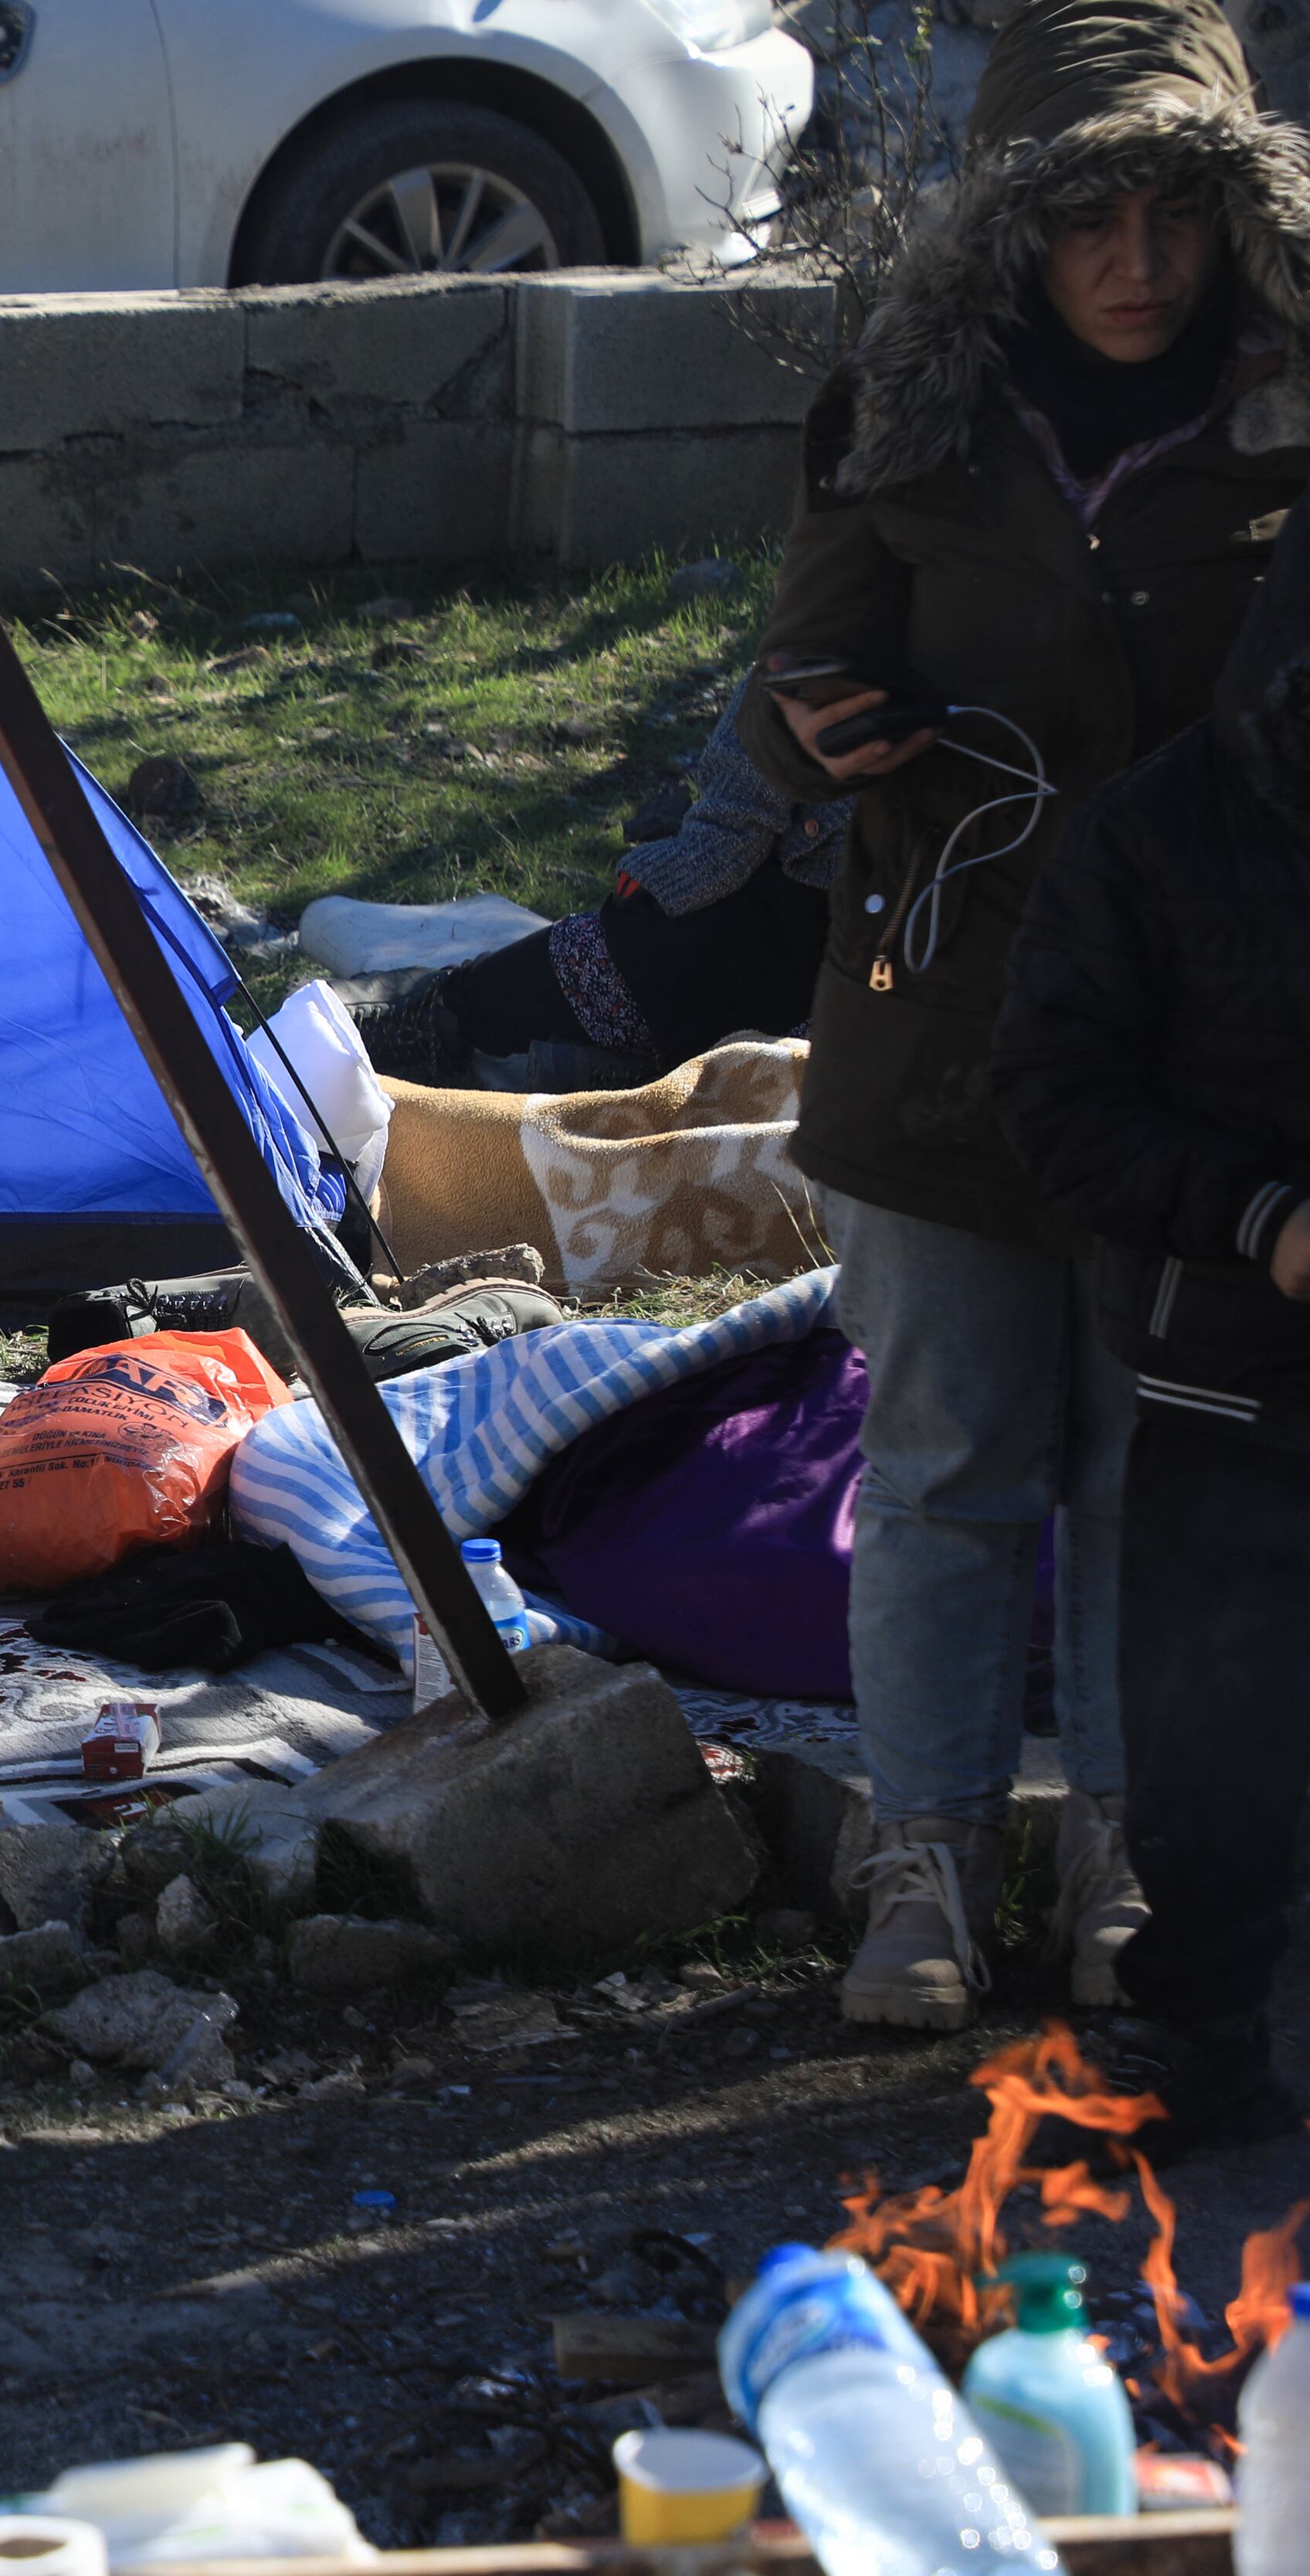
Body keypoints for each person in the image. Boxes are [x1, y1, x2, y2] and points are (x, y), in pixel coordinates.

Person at [735, 0, 1310, 2032]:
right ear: (1016, 232)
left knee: (1164, 1461)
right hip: (936, 1006)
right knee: (954, 1451)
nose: (1140, 258)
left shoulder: (1295, 404)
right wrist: (815, 731)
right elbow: (795, 681)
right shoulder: (906, 403)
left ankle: (1133, 1857)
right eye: (1091, 217)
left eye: (1177, 211)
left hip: (1201, 1041)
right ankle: (928, 1863)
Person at [993, 501, 1310, 2157]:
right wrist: (1262, 1218)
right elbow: (1052, 1100)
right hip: (1233, 1361)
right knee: (1218, 1722)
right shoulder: (1157, 833)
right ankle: (1198, 2040)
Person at [348, 683, 850, 1092]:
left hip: (836, 989)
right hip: (793, 947)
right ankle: (440, 1024)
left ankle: (622, 1075)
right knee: (602, 963)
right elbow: (743, 810)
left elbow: (738, 822)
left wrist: (682, 869)